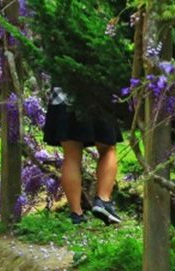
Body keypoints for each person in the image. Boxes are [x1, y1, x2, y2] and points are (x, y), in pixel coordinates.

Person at [43, 86, 122, 225]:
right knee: (108, 148)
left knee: (71, 156)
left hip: (63, 98)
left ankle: (76, 213)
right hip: (97, 95)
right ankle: (103, 200)